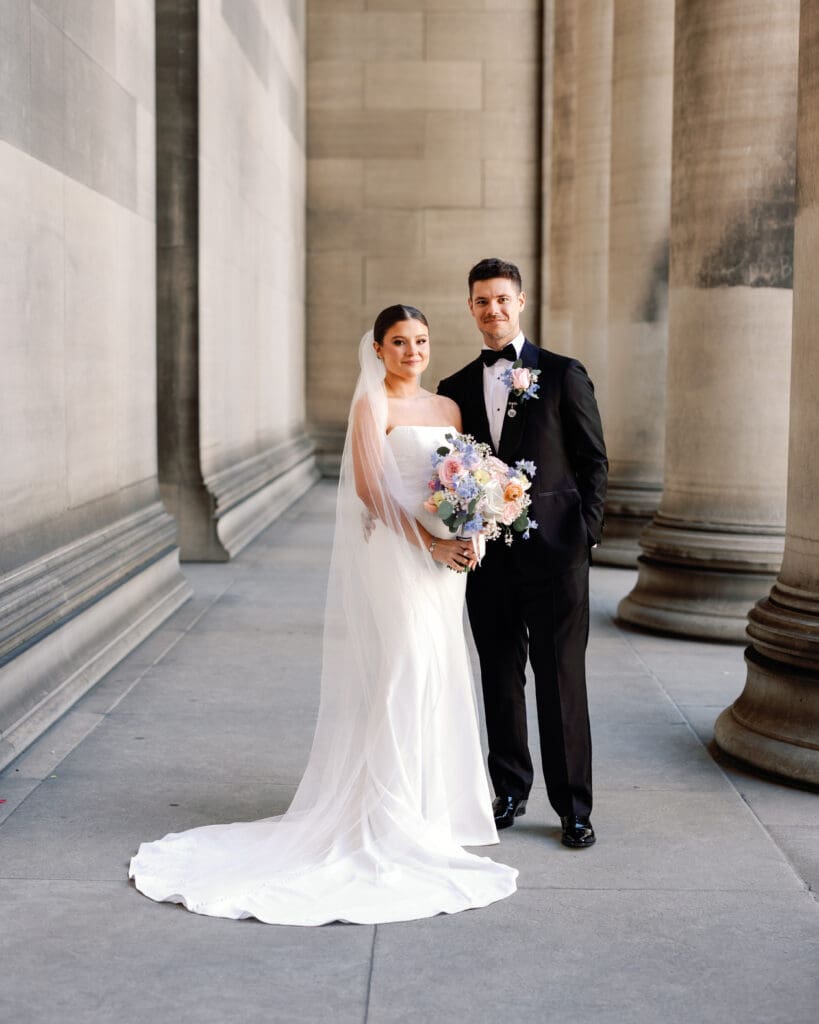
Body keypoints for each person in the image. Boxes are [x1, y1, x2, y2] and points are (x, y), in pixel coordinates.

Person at [129, 304, 517, 924]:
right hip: (401, 557)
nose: (412, 351)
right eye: (399, 342)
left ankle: (432, 808)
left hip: (448, 567)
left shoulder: (448, 409)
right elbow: (372, 490)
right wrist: (433, 542)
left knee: (439, 669)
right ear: (380, 349)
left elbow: (466, 478)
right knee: (404, 669)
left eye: (420, 340)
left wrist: (474, 531)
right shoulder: (373, 406)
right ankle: (387, 812)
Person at [438, 259, 608, 848]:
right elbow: (448, 472)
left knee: (562, 680)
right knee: (499, 678)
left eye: (502, 299)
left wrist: (585, 533)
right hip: (488, 561)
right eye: (482, 301)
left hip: (558, 554)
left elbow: (593, 461)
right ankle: (508, 788)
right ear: (471, 307)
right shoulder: (454, 389)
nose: (494, 310)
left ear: (522, 301)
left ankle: (574, 807)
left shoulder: (561, 374)